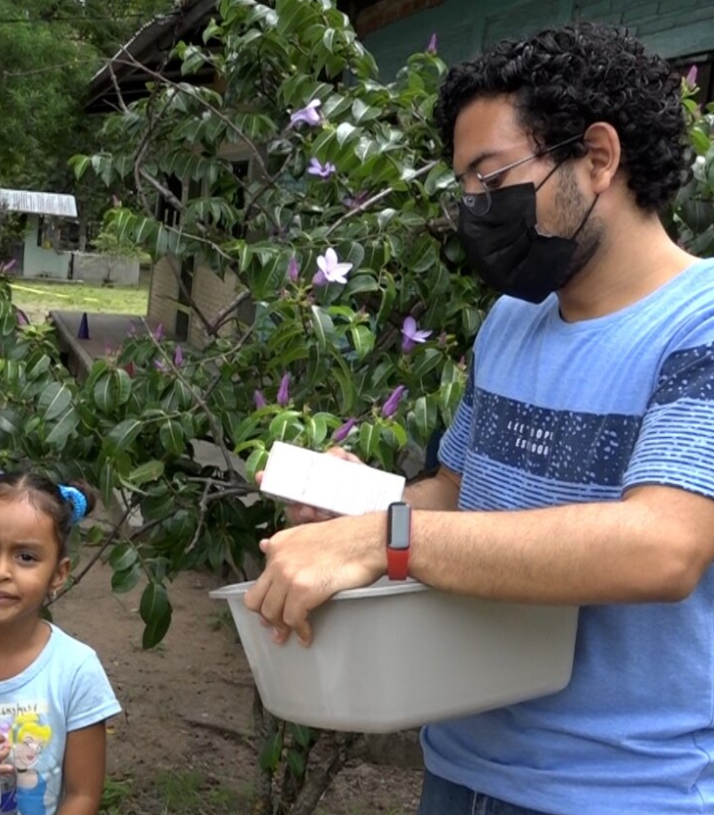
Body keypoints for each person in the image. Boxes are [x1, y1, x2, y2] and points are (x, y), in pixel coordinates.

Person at [243, 22, 714, 815]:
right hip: (461, 766)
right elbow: (461, 492)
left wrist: (382, 541)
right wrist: (370, 508)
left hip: (625, 789)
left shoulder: (697, 325)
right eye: (465, 188)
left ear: (598, 157)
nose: (475, 210)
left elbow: (663, 547)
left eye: (492, 179)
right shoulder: (513, 320)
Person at [0, 471, 120, 815]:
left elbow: (82, 795)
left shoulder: (75, 671)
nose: (0, 570)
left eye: (26, 557)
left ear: (58, 574)